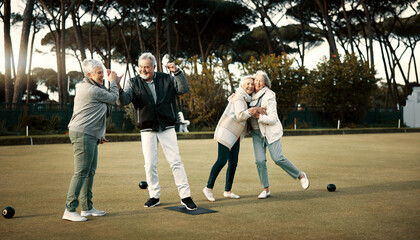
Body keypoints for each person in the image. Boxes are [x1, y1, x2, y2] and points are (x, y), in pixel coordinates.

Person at [117, 52, 197, 210]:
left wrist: (177, 72)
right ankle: (154, 195)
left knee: (175, 162)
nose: (143, 70)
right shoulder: (133, 82)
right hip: (147, 127)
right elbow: (124, 100)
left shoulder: (166, 78)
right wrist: (118, 86)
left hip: (166, 126)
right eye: (141, 67)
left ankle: (185, 196)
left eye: (146, 67)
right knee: (150, 164)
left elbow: (183, 89)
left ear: (154, 66)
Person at [63, 59, 120, 222]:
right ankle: (69, 209)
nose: (102, 75)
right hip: (82, 133)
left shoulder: (94, 87)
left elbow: (98, 112)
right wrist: (114, 82)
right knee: (81, 171)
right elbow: (113, 97)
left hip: (90, 134)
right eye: (99, 72)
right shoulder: (91, 90)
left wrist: (99, 135)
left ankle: (86, 208)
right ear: (88, 75)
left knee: (89, 171)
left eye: (102, 71)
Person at [202, 76, 265, 202]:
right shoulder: (239, 97)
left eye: (252, 84)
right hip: (226, 132)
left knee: (233, 163)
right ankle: (208, 188)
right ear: (242, 85)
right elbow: (240, 116)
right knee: (221, 160)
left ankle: (228, 191)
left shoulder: (246, 98)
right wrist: (253, 110)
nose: (250, 86)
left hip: (235, 135)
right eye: (247, 83)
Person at [249, 70, 309, 199]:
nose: (257, 83)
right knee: (260, 161)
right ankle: (266, 189)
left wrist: (258, 115)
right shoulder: (250, 94)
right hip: (256, 134)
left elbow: (273, 119)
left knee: (277, 158)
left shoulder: (270, 95)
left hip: (270, 131)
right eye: (256, 80)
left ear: (265, 83)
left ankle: (300, 175)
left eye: (261, 81)